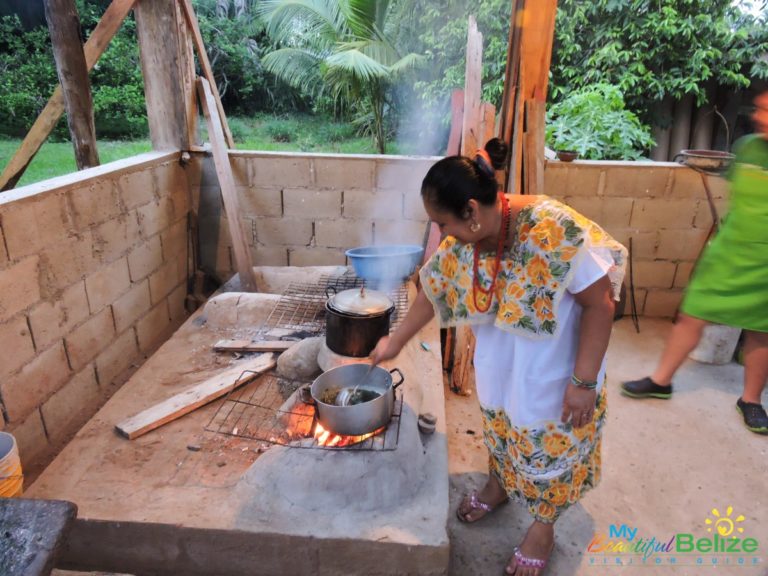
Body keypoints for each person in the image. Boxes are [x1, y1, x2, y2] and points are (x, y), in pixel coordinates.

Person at [371, 138, 627, 575]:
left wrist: (583, 383)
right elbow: (433, 289)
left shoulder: (553, 229)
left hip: (555, 370)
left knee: (544, 447)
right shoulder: (468, 238)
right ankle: (499, 486)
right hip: (502, 365)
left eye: (442, 223)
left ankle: (542, 528)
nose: (440, 234)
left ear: (471, 210)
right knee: (502, 429)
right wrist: (395, 342)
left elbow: (600, 302)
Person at [621, 89, 768, 435]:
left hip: (766, 263)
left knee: (761, 332)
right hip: (731, 251)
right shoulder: (747, 146)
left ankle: (751, 400)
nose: (761, 117)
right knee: (692, 315)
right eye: (761, 109)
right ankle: (661, 380)